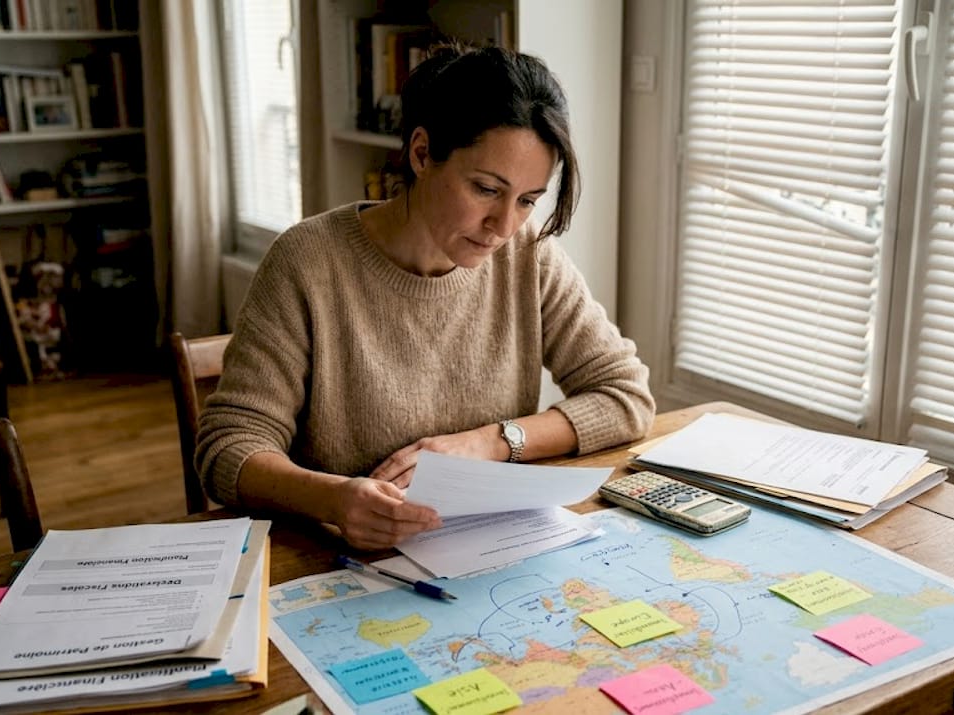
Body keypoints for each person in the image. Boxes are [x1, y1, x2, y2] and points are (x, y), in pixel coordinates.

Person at [196, 43, 655, 550]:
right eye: (486, 189)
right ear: (421, 154)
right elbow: (228, 446)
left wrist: (491, 443)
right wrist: (332, 500)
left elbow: (625, 396)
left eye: (527, 200)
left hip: (483, 549)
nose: (504, 226)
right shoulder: (307, 262)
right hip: (339, 559)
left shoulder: (529, 255)